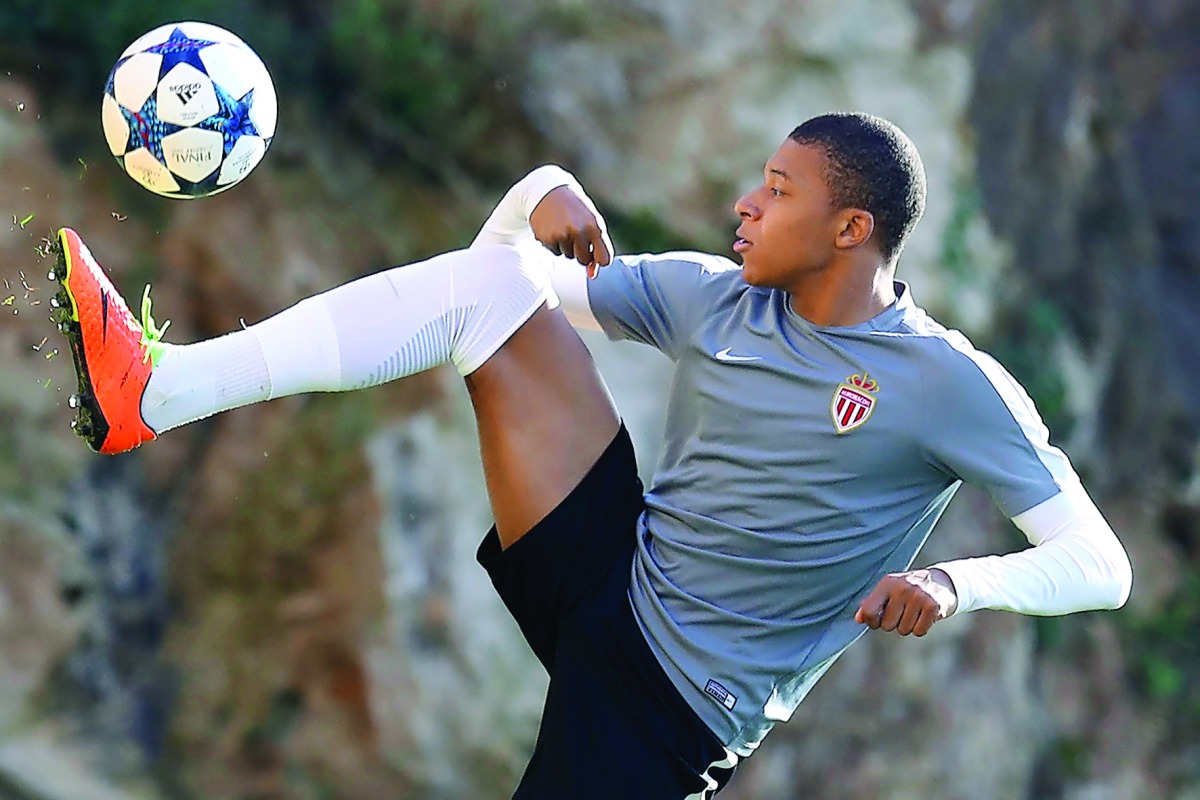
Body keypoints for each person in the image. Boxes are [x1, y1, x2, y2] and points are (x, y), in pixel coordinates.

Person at [49, 112, 1132, 799]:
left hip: (672, 709)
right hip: (606, 562)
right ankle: (157, 389)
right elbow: (477, 289)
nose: (745, 202)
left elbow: (1100, 564)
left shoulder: (952, 382)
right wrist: (539, 187)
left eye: (779, 188)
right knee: (487, 297)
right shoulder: (712, 291)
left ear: (852, 230)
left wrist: (954, 580)